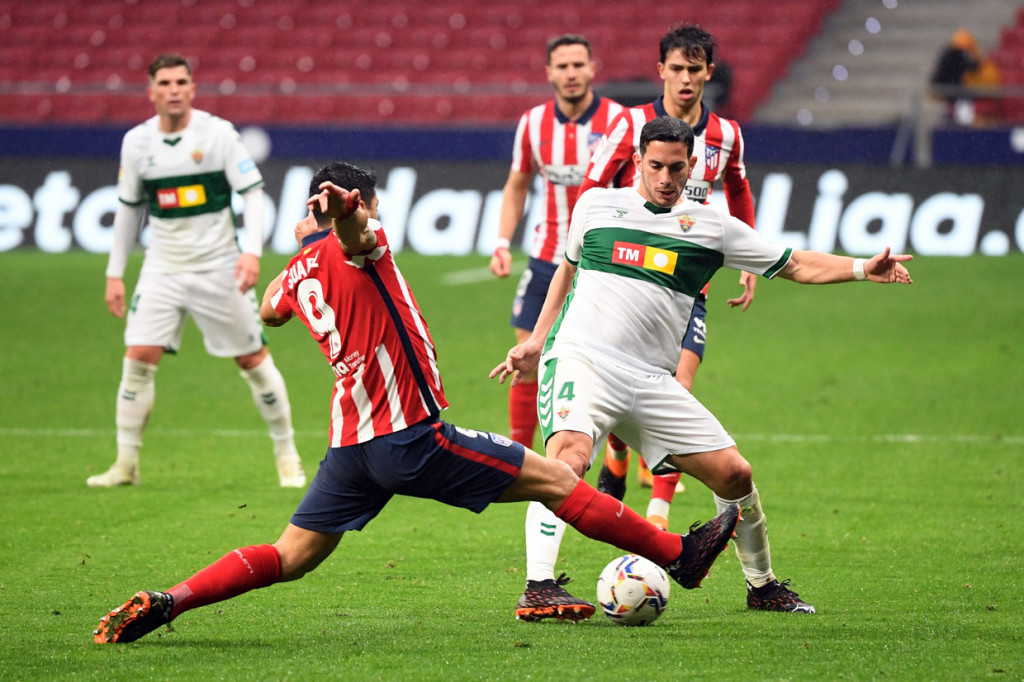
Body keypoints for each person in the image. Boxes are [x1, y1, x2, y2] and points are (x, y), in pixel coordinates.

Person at [92, 161, 741, 644]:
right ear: (364, 204)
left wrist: (308, 237)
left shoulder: (295, 272)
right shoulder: (361, 247)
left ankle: (169, 600)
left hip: (349, 451)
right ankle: (676, 556)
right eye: (370, 208)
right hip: (407, 437)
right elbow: (355, 235)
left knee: (289, 556)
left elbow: (270, 310)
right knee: (552, 477)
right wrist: (346, 214)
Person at [492, 116, 913, 617]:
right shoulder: (597, 205)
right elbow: (568, 267)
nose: (665, 179)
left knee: (736, 474)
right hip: (583, 360)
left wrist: (864, 268)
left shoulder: (712, 227)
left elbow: (796, 264)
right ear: (638, 162)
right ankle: (539, 586)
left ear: (691, 166)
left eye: (676, 168)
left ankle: (763, 587)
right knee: (566, 463)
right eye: (655, 167)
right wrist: (539, 341)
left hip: (651, 379)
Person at [87, 54, 305, 489]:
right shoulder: (136, 143)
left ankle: (287, 453)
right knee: (138, 358)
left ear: (192, 89)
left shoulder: (218, 134)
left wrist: (251, 254)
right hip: (162, 268)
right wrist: (115, 273)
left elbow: (254, 194)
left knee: (253, 359)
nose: (173, 89)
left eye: (181, 81)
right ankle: (125, 464)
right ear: (150, 92)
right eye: (164, 82)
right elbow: (130, 210)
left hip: (220, 265)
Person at [580, 24, 757, 532]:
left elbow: (738, 191)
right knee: (619, 387)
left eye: (694, 69)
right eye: (676, 68)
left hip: (685, 289)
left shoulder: (726, 136)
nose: (684, 78)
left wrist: (746, 263)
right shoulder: (630, 125)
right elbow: (593, 190)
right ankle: (616, 457)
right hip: (623, 284)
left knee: (676, 386)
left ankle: (656, 519)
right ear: (661, 71)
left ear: (709, 73)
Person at [490, 34, 623, 451]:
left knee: (615, 366)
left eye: (578, 65)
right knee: (525, 357)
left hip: (603, 264)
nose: (570, 74)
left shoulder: (619, 121)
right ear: (549, 72)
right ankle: (521, 456)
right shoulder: (533, 123)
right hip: (547, 257)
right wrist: (500, 241)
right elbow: (517, 185)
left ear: (592, 68)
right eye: (562, 66)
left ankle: (630, 454)